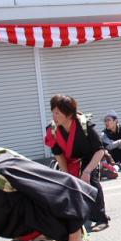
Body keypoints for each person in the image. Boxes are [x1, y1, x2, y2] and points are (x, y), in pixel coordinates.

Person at [44, 95, 109, 232]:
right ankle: (80, 214)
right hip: (69, 160)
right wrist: (66, 173)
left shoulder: (84, 125)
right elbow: (58, 153)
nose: (54, 116)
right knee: (69, 185)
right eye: (53, 112)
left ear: (69, 114)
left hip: (90, 158)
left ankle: (101, 218)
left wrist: (87, 171)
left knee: (91, 181)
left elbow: (100, 151)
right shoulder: (52, 129)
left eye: (58, 113)